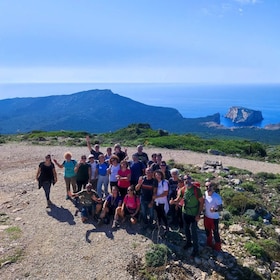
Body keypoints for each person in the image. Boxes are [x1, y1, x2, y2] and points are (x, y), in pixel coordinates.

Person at [181, 176, 204, 257]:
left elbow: (201, 202)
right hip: (185, 212)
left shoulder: (196, 190)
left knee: (193, 231)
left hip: (194, 214)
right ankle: (188, 243)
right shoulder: (183, 189)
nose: (186, 181)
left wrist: (198, 214)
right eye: (185, 179)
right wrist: (173, 202)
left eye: (188, 179)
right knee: (186, 229)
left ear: (191, 180)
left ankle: (196, 249)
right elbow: (179, 199)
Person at [204, 182, 223, 251]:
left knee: (215, 232)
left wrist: (214, 210)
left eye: (209, 186)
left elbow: (221, 208)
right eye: (206, 186)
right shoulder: (205, 194)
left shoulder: (217, 197)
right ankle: (209, 244)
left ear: (213, 187)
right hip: (206, 217)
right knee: (207, 231)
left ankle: (218, 247)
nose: (208, 188)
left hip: (214, 218)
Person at [153, 170, 169, 234]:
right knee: (158, 214)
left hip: (162, 201)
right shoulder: (155, 183)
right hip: (157, 201)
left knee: (163, 215)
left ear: (161, 175)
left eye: (159, 175)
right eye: (156, 175)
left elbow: (165, 193)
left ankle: (166, 226)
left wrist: (157, 196)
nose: (158, 176)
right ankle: (159, 225)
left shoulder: (164, 183)